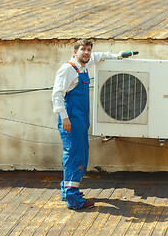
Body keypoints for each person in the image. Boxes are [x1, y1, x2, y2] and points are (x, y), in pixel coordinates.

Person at [52, 39, 123, 210]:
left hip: (81, 121)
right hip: (71, 121)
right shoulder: (68, 69)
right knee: (75, 157)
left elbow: (100, 56)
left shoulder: (83, 65)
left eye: (89, 50)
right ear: (75, 51)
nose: (86, 53)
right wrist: (64, 118)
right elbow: (57, 95)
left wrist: (117, 56)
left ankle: (68, 190)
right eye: (83, 50)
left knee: (80, 155)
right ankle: (73, 199)